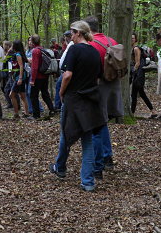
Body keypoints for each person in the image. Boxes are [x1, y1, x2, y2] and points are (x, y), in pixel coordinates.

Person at [49, 20, 105, 192]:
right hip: (90, 99)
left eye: (72, 32)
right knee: (87, 140)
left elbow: (67, 75)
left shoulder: (74, 50)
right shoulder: (95, 52)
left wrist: (61, 92)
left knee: (67, 133)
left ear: (79, 33)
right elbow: (97, 77)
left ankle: (60, 167)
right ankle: (87, 181)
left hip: (74, 99)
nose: (70, 36)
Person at [86, 16, 122, 177]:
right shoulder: (112, 41)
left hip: (98, 88)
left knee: (95, 126)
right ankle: (107, 157)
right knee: (102, 123)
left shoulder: (91, 45)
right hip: (113, 88)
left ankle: (97, 164)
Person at [28, 34, 55, 120]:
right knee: (45, 93)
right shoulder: (42, 49)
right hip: (45, 76)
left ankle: (36, 115)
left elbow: (35, 66)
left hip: (38, 77)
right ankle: (52, 109)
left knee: (33, 95)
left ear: (32, 42)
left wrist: (32, 79)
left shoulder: (35, 51)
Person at [131, 33, 155, 117]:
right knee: (141, 93)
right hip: (139, 73)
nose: (131, 39)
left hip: (139, 74)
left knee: (134, 94)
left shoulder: (136, 49)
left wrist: (133, 72)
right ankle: (153, 111)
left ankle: (132, 113)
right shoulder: (132, 48)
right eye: (130, 38)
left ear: (136, 40)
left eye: (133, 38)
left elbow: (137, 63)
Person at [9, 40, 30, 119]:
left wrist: (20, 78)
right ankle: (26, 113)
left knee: (11, 95)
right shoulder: (19, 54)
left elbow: (21, 66)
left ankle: (16, 113)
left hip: (19, 77)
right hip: (19, 76)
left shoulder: (18, 54)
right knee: (22, 95)